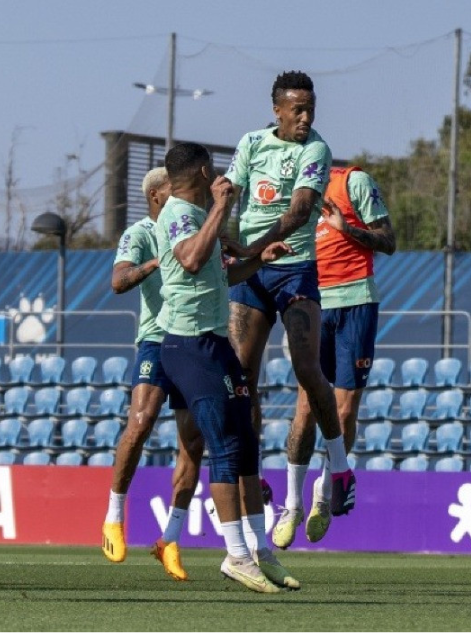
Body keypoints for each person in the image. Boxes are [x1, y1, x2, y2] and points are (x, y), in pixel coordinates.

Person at [156, 142, 297, 593]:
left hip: (215, 343)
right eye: (212, 170)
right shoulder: (180, 212)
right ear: (201, 171)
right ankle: (235, 555)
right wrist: (219, 207)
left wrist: (258, 259)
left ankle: (260, 550)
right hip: (189, 345)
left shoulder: (201, 216)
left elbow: (220, 272)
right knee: (222, 445)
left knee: (246, 443)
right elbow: (192, 259)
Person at [223, 70, 356, 519]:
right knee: (241, 375)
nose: (305, 118)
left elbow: (300, 211)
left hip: (295, 269)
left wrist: (251, 247)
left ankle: (339, 467)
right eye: (297, 110)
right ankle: (254, 471)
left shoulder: (316, 148)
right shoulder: (251, 144)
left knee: (306, 366)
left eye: (310, 110)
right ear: (276, 109)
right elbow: (229, 198)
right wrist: (227, 243)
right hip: (250, 272)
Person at [272, 165, 395, 548]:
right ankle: (291, 503)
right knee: (305, 407)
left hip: (356, 300)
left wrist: (348, 230)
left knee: (344, 412)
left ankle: (323, 495)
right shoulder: (284, 193)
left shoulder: (351, 182)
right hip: (311, 301)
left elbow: (388, 241)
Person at [102, 167, 205, 582]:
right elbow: (118, 281)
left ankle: (171, 538)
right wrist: (156, 261)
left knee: (192, 441)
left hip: (196, 339)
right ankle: (113, 516)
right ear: (157, 196)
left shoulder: (191, 225)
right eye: (174, 190)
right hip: (157, 340)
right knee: (140, 423)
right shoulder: (140, 232)